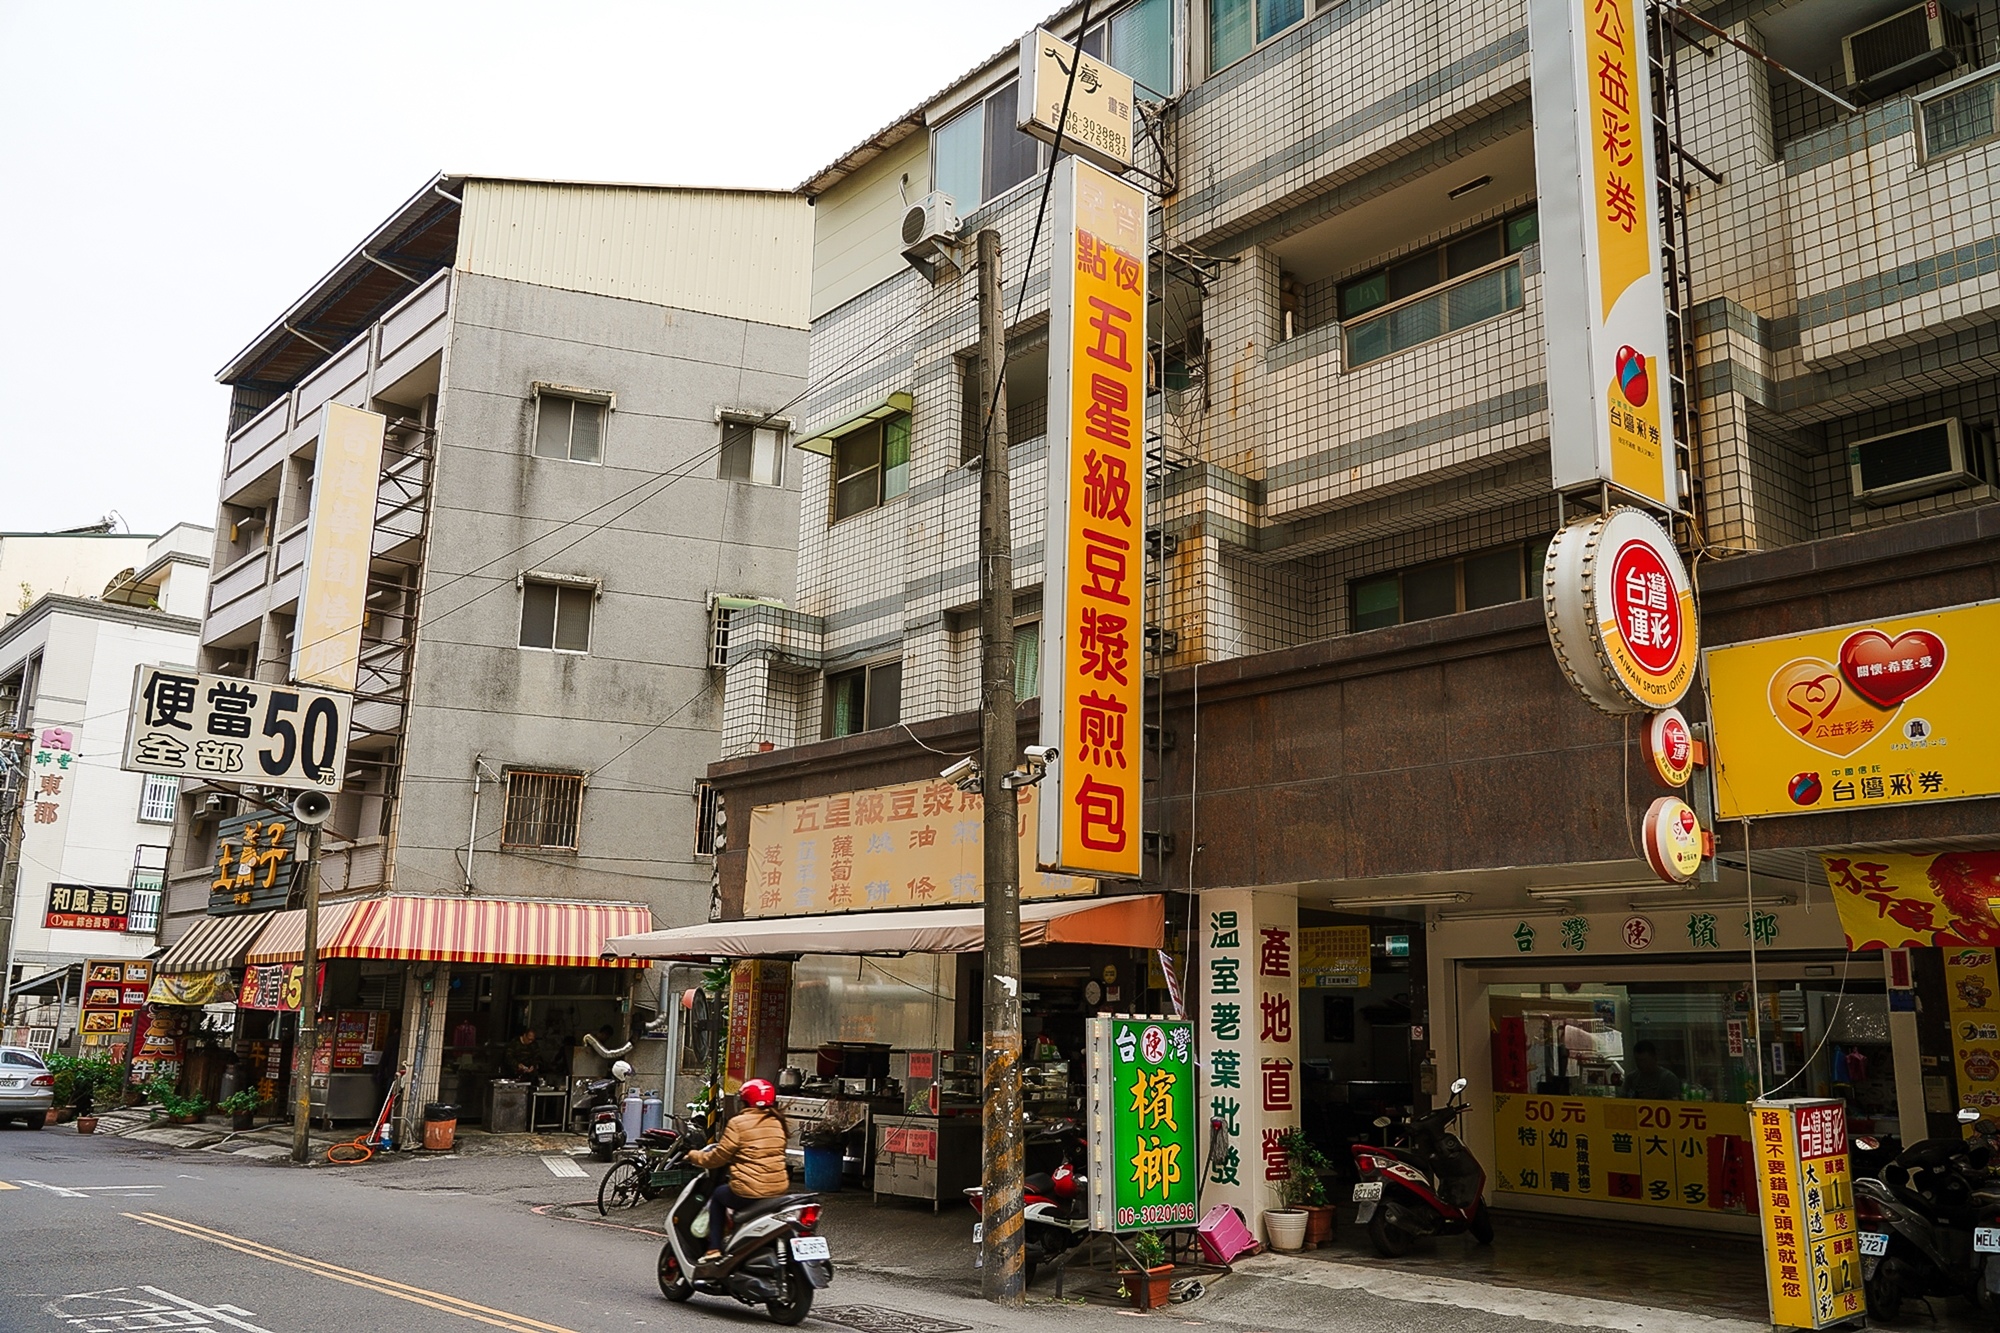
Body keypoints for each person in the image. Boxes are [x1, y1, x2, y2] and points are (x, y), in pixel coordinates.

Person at [686, 1078, 790, 1265]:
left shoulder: (738, 1123)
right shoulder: (778, 1122)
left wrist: (694, 1156)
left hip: (749, 1191)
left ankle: (714, 1248)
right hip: (777, 1190)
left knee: (718, 1195)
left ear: (745, 1101)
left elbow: (718, 1157)